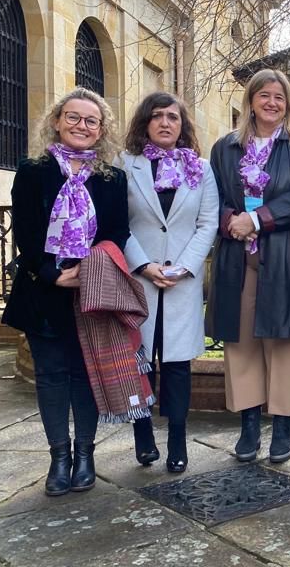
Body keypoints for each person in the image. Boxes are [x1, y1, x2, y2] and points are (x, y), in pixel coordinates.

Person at [2, 88, 129, 495]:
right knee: (51, 375)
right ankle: (59, 457)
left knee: (83, 375)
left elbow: (117, 232)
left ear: (101, 130)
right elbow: (24, 229)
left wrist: (87, 271)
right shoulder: (34, 171)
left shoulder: (112, 178)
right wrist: (50, 272)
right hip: (43, 290)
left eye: (92, 121)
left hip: (89, 292)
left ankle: (86, 455)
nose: (82, 126)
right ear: (57, 121)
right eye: (73, 117)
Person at [206, 69, 290, 464]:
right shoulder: (225, 148)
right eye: (264, 95)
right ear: (251, 100)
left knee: (286, 344)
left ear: (288, 103)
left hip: (286, 257)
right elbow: (215, 197)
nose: (272, 103)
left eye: (279, 96)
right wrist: (230, 221)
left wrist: (257, 220)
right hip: (237, 259)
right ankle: (249, 426)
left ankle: (284, 426)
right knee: (241, 344)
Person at [121, 92, 219, 474]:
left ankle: (177, 439)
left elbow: (207, 222)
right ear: (145, 122)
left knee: (177, 366)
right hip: (139, 280)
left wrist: (183, 267)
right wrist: (144, 264)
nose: (165, 122)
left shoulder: (201, 168)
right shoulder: (127, 165)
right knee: (139, 363)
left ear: (182, 125)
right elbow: (120, 222)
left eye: (173, 117)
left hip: (181, 282)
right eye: (157, 116)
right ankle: (143, 435)